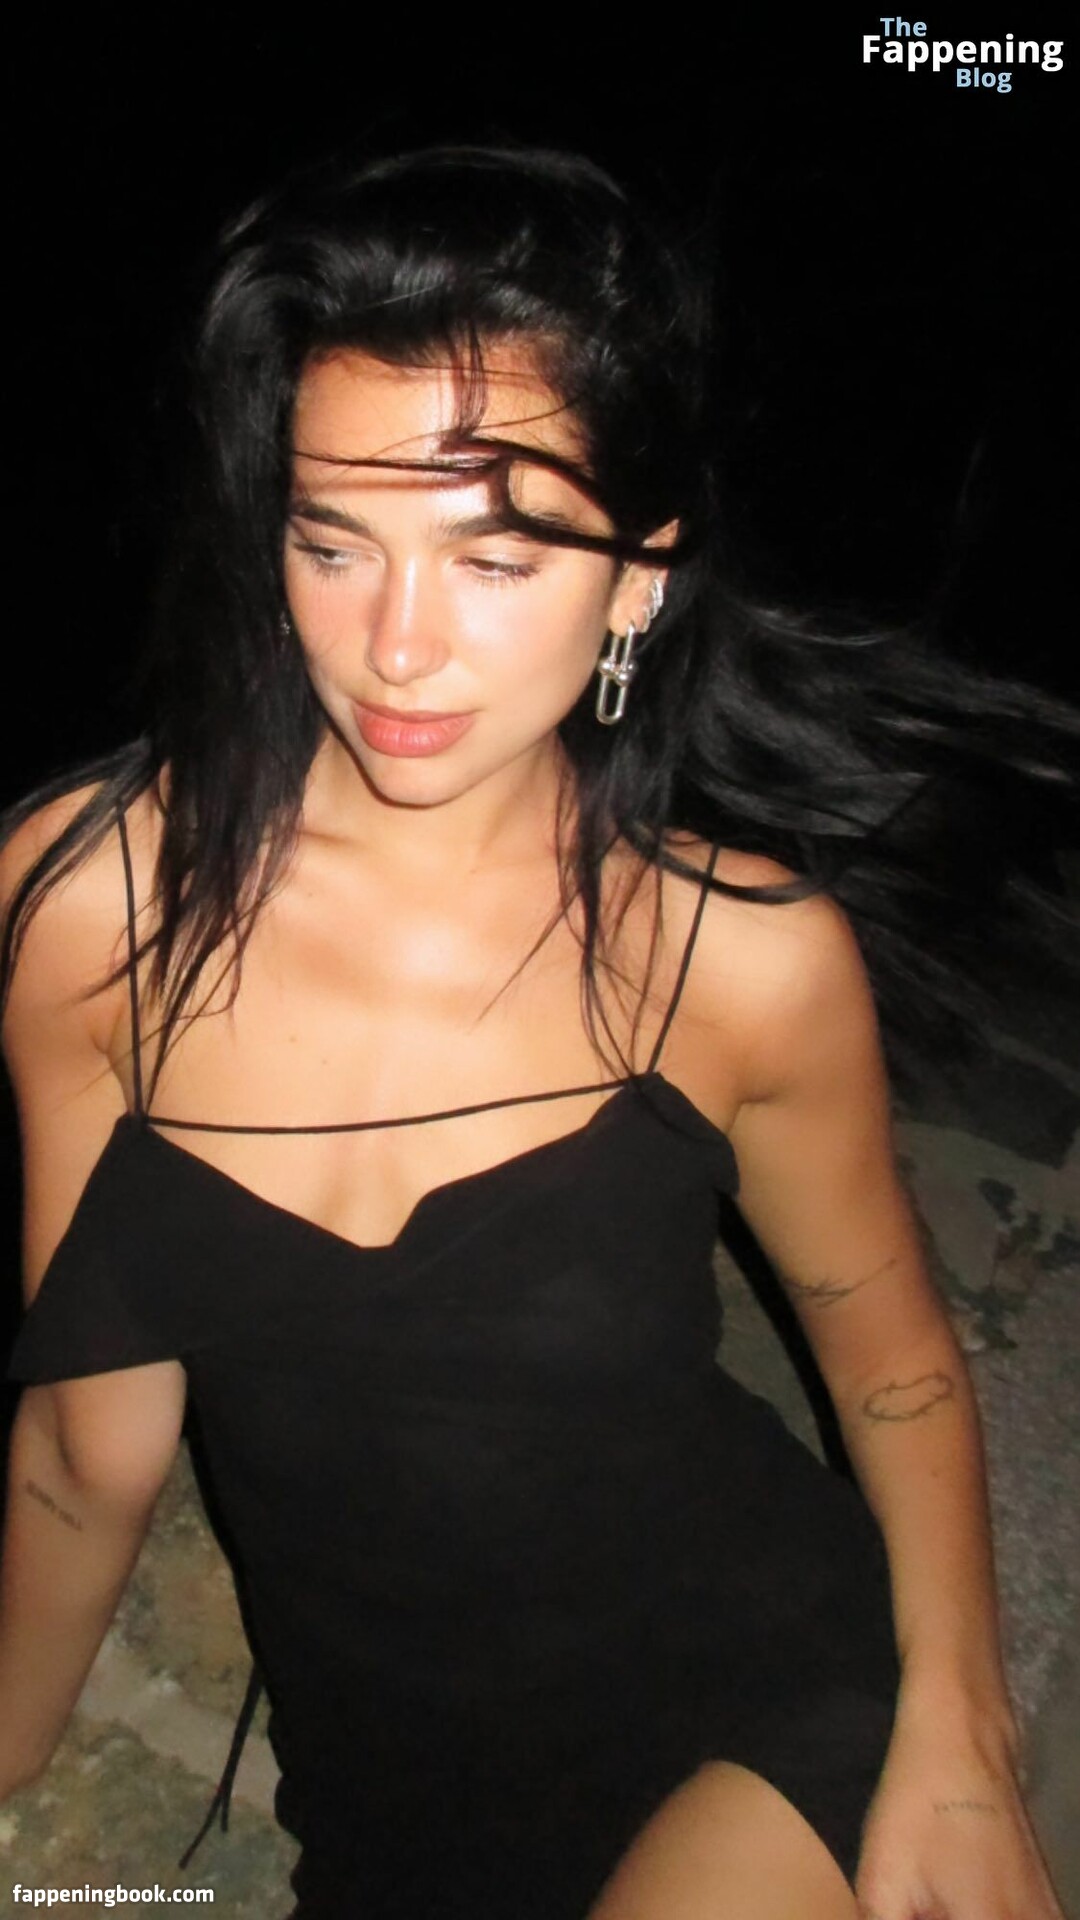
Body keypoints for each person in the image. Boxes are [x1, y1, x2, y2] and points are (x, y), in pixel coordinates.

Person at [0, 144, 1073, 1920]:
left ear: (637, 581)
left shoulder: (738, 959)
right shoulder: (90, 907)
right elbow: (83, 1448)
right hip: (387, 1790)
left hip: (757, 1696)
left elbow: (891, 1366)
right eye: (334, 544)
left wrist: (964, 1732)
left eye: (494, 558)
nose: (397, 646)